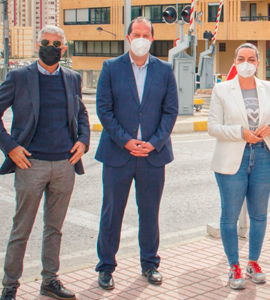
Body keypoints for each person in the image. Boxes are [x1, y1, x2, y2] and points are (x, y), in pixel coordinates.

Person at [0, 25, 89, 300]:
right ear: (36, 45)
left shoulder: (72, 78)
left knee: (55, 228)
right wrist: (11, 148)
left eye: (57, 44)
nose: (51, 47)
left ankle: (50, 281)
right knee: (22, 229)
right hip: (31, 164)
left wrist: (83, 140)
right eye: (46, 42)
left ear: (63, 49)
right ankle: (10, 287)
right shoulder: (18, 77)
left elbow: (81, 113)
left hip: (65, 165)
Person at [94, 16, 179, 290]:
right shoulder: (110, 67)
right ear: (128, 37)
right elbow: (104, 109)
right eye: (136, 34)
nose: (140, 38)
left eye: (146, 34)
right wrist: (126, 141)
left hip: (153, 156)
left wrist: (154, 142)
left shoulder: (165, 70)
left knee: (150, 213)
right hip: (118, 155)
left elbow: (171, 111)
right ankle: (106, 267)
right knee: (112, 214)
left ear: (152, 39)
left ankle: (150, 264)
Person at [207, 43, 270, 289]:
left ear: (258, 63)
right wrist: (241, 133)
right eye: (241, 58)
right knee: (229, 216)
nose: (246, 63)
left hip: (264, 157)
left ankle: (253, 261)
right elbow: (212, 127)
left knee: (259, 215)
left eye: (251, 59)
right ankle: (234, 266)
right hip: (233, 159)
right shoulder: (221, 89)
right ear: (234, 61)